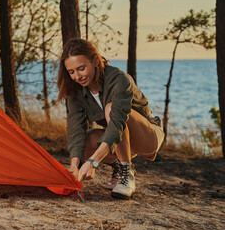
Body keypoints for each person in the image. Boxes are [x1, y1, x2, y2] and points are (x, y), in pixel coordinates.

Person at [57, 39, 164, 200]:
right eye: (71, 72)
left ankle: (125, 174)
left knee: (111, 109)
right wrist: (74, 165)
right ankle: (119, 164)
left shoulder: (119, 80)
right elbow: (75, 130)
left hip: (148, 138)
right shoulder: (75, 91)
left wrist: (93, 162)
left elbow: (116, 124)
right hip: (120, 140)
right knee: (83, 142)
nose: (77, 76)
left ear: (94, 61)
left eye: (81, 68)